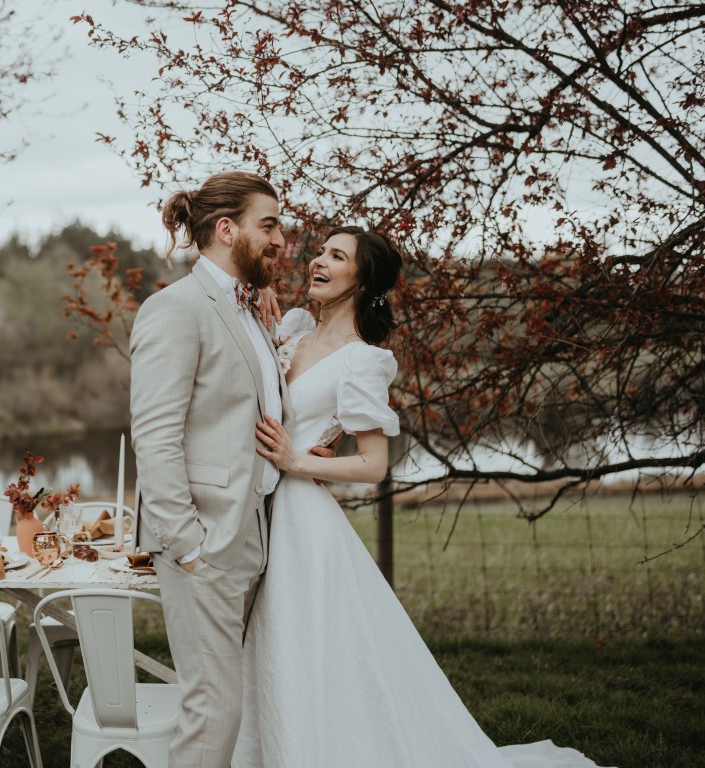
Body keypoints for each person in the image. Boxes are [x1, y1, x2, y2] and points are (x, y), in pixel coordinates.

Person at [232, 226, 607, 768]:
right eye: (320, 251)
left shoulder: (362, 360)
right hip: (261, 506)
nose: (318, 261)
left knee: (301, 644)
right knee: (270, 647)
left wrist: (296, 461)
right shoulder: (289, 329)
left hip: (301, 518)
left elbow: (374, 464)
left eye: (336, 256)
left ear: (362, 280)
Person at [129, 170, 289, 767]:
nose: (281, 240)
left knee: (233, 701)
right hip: (208, 542)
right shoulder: (175, 309)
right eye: (268, 225)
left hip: (251, 531)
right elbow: (156, 436)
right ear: (227, 229)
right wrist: (190, 547)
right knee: (213, 708)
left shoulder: (248, 309)